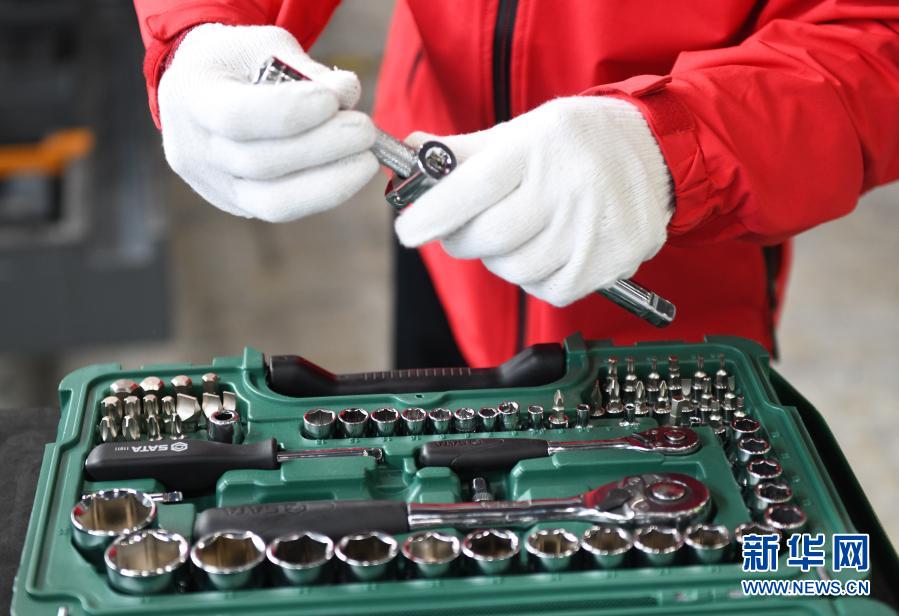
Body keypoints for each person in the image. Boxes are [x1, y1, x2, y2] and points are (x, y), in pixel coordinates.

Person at [134, 1, 899, 369]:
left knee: (691, 553)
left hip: (665, 242)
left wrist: (673, 148)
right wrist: (200, 32)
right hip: (441, 224)